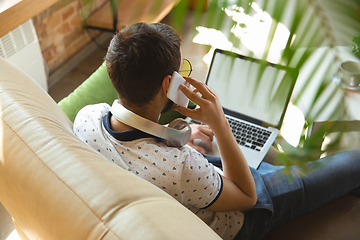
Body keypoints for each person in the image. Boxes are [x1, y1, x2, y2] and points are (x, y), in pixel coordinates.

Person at [73, 22, 360, 240]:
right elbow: (247, 196)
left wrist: (181, 134)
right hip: (241, 213)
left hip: (203, 183)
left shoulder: (87, 118)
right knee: (352, 162)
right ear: (167, 85)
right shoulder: (181, 167)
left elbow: (144, 150)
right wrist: (219, 122)